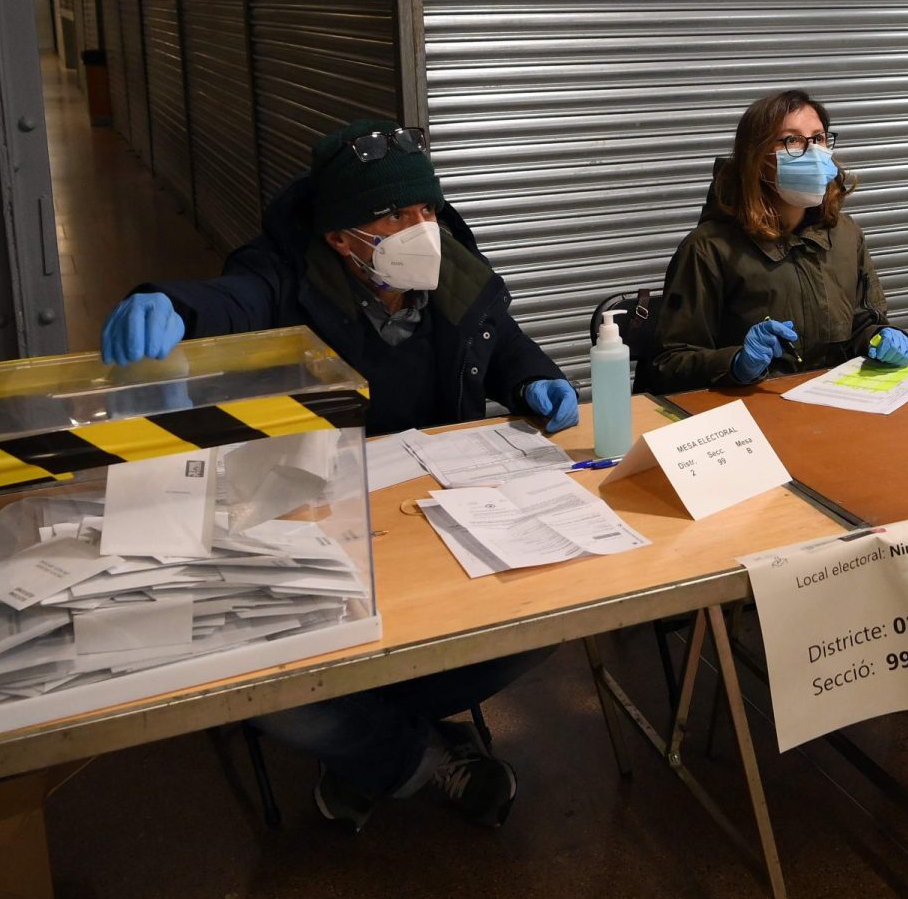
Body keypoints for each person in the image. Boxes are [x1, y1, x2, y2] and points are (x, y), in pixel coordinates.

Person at [99, 117, 579, 832]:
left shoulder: (453, 275)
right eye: (393, 216)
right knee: (261, 684)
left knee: (552, 612)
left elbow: (502, 341)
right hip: (322, 529)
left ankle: (362, 739)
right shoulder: (287, 278)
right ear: (340, 238)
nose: (420, 229)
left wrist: (536, 377)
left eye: (426, 210)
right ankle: (411, 759)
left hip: (436, 524)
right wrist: (173, 303)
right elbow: (234, 300)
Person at [649, 89, 908, 393]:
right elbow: (668, 364)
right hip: (748, 414)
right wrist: (736, 362)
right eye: (793, 140)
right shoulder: (709, 248)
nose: (812, 151)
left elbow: (862, 324)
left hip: (835, 407)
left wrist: (881, 337)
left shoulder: (845, 234)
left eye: (818, 138)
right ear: (759, 159)